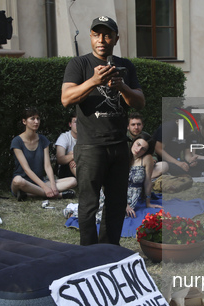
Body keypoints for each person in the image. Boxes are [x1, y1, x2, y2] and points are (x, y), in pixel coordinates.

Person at [61, 16, 145, 246]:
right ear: (90, 36)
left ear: (116, 38)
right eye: (97, 34)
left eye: (107, 35)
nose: (102, 39)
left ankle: (109, 250)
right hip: (90, 147)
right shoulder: (79, 65)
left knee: (116, 203)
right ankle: (88, 253)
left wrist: (122, 86)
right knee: (88, 204)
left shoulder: (125, 66)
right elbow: (66, 99)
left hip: (119, 146)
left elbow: (139, 102)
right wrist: (94, 81)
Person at [11, 107, 77, 201]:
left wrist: (53, 185)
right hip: (23, 182)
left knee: (73, 181)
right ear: (24, 121)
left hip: (40, 182)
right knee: (17, 180)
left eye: (38, 118)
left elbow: (47, 166)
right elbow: (27, 170)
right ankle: (57, 195)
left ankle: (29, 194)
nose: (36, 121)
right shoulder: (17, 141)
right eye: (32, 118)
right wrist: (45, 188)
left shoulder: (43, 140)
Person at [126, 133, 162, 218]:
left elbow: (147, 181)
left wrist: (148, 203)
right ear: (134, 141)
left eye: (143, 149)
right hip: (117, 194)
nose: (138, 150)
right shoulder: (123, 155)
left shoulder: (146, 158)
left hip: (133, 196)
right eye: (138, 144)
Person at [55, 114, 78, 179]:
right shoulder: (64, 137)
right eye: (75, 122)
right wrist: (75, 156)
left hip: (81, 164)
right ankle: (88, 185)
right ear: (70, 124)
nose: (78, 125)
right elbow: (60, 159)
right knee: (71, 156)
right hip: (65, 170)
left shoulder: (86, 137)